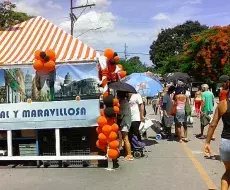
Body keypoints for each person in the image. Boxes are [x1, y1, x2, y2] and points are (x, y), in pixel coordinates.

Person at [204, 78, 230, 190]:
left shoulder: (223, 104)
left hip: (226, 143)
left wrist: (207, 142)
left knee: (228, 172)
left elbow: (213, 124)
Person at [117, 91, 133, 161]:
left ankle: (129, 154)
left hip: (125, 122)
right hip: (126, 121)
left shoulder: (123, 102)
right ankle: (128, 153)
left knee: (126, 138)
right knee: (125, 138)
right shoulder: (125, 101)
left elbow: (120, 113)